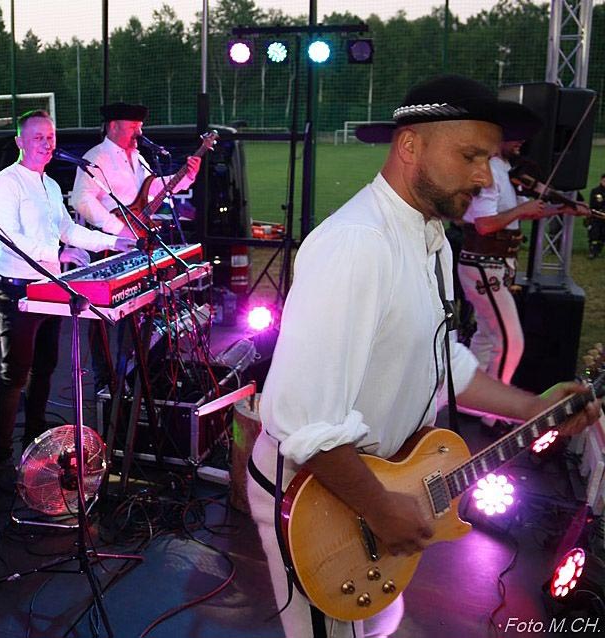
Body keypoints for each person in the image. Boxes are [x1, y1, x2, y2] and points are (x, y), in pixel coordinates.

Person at [246, 75, 601, 638]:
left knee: (378, 625)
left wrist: (535, 407)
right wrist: (380, 506)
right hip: (317, 499)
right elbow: (303, 419)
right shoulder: (359, 244)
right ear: (410, 146)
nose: (485, 176)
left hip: (374, 485)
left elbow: (443, 362)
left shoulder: (431, 237)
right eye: (470, 156)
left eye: (489, 159)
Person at [0, 110, 136, 492]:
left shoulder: (51, 185)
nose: (47, 143)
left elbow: (67, 229)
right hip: (18, 288)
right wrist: (57, 252)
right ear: (19, 142)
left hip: (50, 286)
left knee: (45, 369)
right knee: (14, 374)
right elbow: (9, 238)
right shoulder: (5, 183)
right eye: (38, 137)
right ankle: (0, 459)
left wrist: (113, 241)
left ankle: (33, 443)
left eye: (50, 137)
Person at [71, 102, 201, 392]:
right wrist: (118, 230)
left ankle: (129, 373)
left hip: (137, 242)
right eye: (133, 127)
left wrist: (187, 175)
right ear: (113, 126)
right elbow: (81, 199)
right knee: (102, 315)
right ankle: (105, 380)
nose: (139, 133)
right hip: (108, 243)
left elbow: (152, 190)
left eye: (140, 127)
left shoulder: (138, 157)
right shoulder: (96, 157)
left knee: (133, 308)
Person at [457, 137, 577, 432]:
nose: (522, 141)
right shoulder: (488, 172)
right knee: (511, 340)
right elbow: (484, 224)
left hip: (495, 265)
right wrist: (522, 211)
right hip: (483, 264)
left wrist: (562, 210)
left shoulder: (505, 171)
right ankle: (493, 414)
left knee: (487, 335)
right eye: (516, 135)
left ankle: (465, 400)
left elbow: (520, 212)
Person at [586, 173, 605, 258]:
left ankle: (598, 250)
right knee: (594, 233)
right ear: (601, 180)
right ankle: (592, 251)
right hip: (596, 217)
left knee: (603, 234)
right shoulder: (595, 191)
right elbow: (593, 205)